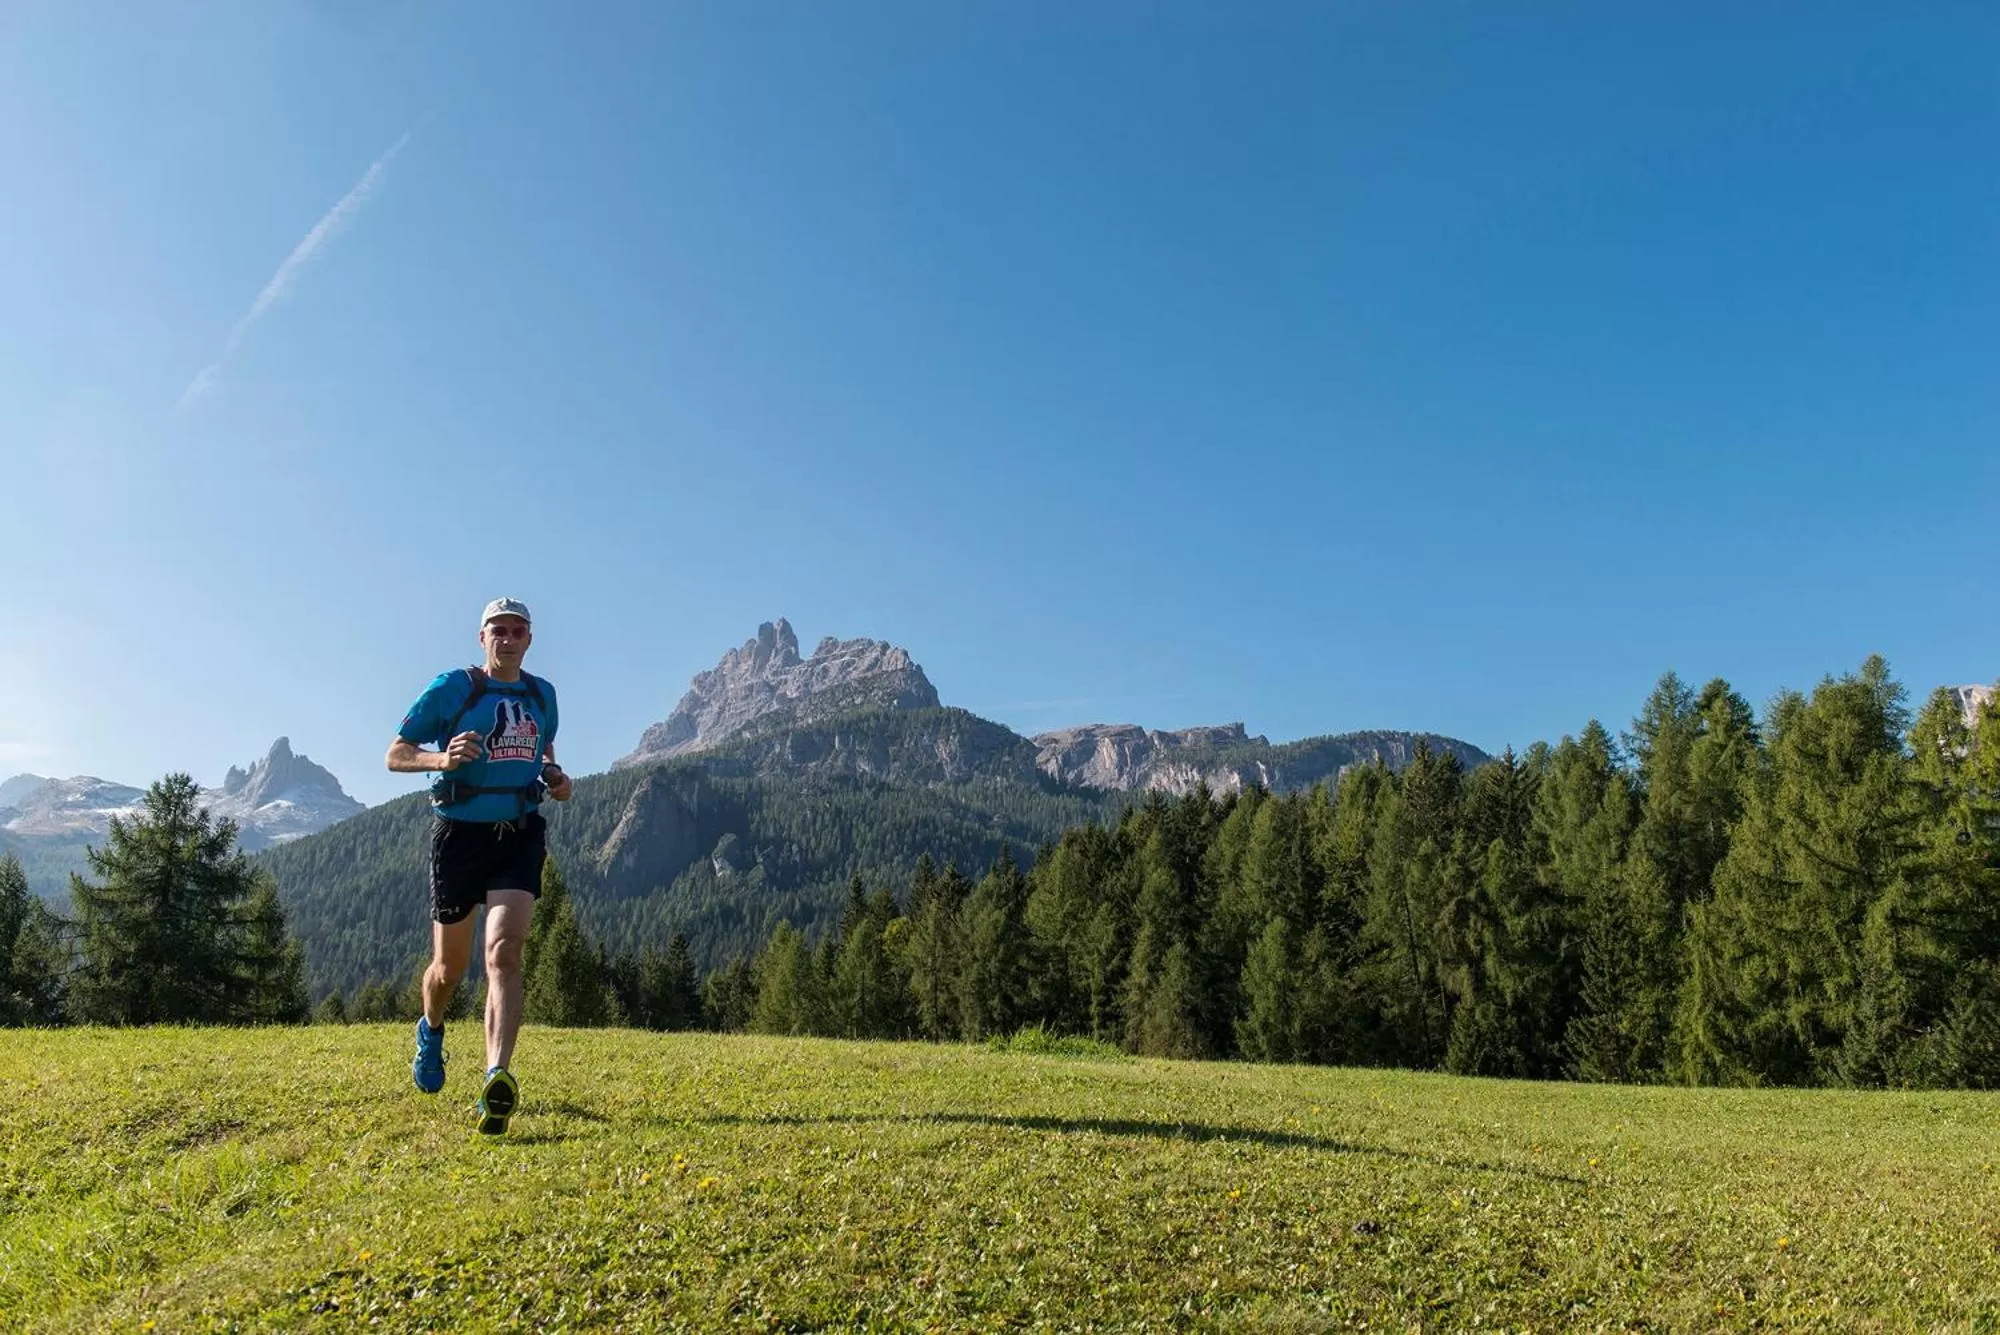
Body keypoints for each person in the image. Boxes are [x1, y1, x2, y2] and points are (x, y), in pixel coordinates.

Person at [385, 597, 572, 1135]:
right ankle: (432, 1028)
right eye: (498, 631)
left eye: (517, 631)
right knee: (448, 970)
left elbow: (546, 749)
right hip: (459, 835)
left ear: (529, 640)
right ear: (482, 637)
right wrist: (441, 758)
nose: (508, 639)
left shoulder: (542, 695)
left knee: (504, 953)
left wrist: (557, 779)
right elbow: (395, 753)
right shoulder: (453, 688)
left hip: (519, 831)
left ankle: (497, 1077)